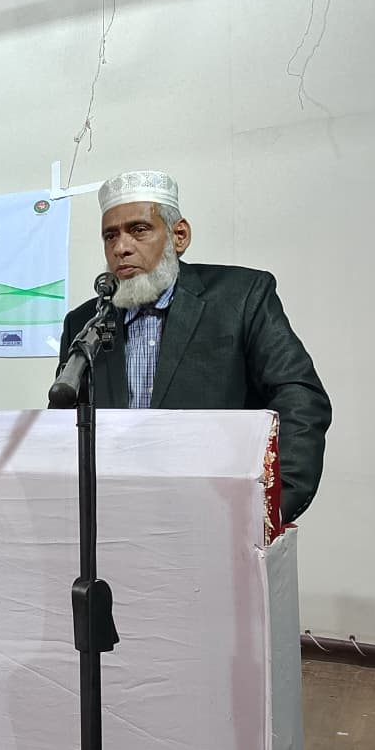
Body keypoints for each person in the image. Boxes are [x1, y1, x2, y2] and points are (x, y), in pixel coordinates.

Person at [57, 169, 331, 522]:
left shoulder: (241, 297)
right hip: (113, 520)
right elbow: (61, 426)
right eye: (110, 236)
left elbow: (300, 398)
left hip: (217, 516)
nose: (121, 248)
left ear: (179, 235)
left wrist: (271, 505)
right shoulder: (84, 324)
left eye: (139, 230)